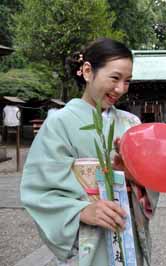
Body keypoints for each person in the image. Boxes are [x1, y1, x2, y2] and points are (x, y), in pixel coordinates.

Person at [20, 38, 158, 266]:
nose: (120, 89)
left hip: (126, 231)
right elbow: (39, 191)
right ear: (87, 71)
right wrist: (81, 210)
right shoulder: (60, 123)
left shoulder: (131, 124)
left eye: (127, 81)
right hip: (88, 239)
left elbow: (152, 180)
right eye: (115, 78)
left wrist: (133, 176)